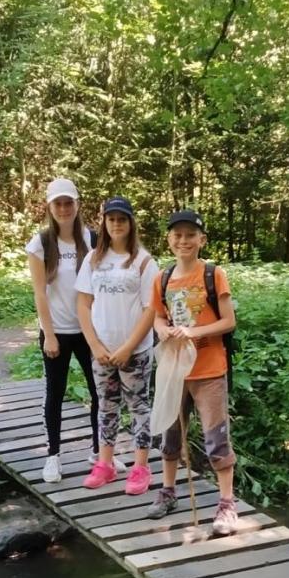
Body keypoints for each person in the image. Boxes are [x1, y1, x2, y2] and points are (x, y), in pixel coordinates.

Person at [147, 210, 239, 535]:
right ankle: (168, 491)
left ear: (202, 239)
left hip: (209, 369)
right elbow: (158, 317)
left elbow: (228, 321)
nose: (183, 240)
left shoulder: (214, 274)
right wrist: (162, 331)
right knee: (170, 435)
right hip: (175, 370)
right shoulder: (162, 278)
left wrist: (194, 333)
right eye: (177, 235)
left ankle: (227, 504)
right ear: (169, 239)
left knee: (216, 437)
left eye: (190, 235)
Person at [75, 197, 159, 495]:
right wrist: (94, 343)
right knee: (106, 407)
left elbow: (152, 309)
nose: (116, 224)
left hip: (134, 350)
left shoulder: (144, 261)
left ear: (131, 222)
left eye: (122, 219)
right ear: (104, 223)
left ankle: (140, 467)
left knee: (139, 407)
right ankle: (105, 463)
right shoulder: (93, 260)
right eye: (111, 219)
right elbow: (83, 304)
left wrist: (128, 347)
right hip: (102, 349)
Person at [26, 177, 101, 483]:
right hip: (57, 330)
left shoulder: (93, 239)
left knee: (100, 392)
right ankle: (53, 457)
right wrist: (50, 334)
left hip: (90, 331)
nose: (64, 208)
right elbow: (40, 293)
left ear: (77, 204)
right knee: (54, 393)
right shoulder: (41, 243)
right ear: (49, 206)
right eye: (58, 203)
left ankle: (100, 453)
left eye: (69, 202)